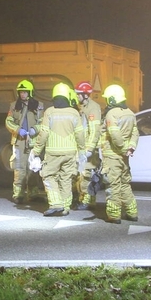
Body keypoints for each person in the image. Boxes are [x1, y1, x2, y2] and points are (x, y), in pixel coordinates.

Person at [30, 83, 85, 217]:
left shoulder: (50, 112)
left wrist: (36, 151)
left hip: (53, 152)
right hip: (70, 152)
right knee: (66, 179)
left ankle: (56, 204)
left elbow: (43, 133)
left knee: (48, 176)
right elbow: (80, 134)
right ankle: (65, 207)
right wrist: (82, 150)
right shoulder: (74, 113)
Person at [94, 84, 139, 224]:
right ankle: (132, 212)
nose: (106, 102)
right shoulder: (130, 113)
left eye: (108, 99)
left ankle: (114, 215)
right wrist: (131, 147)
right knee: (125, 183)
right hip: (124, 157)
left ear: (112, 99)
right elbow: (135, 133)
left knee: (113, 185)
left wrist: (123, 148)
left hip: (113, 155)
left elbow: (115, 134)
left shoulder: (111, 114)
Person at [4, 79, 41, 204]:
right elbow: (8, 121)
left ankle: (33, 193)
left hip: (33, 141)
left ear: (30, 92)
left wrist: (34, 129)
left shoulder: (38, 106)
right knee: (19, 168)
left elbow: (42, 122)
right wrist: (18, 130)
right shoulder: (14, 105)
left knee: (32, 169)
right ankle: (18, 194)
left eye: (25, 92)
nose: (22, 94)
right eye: (21, 92)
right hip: (19, 141)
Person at [72, 81, 102, 210]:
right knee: (80, 174)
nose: (77, 96)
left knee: (86, 174)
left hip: (88, 147)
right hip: (81, 146)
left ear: (86, 94)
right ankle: (84, 199)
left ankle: (86, 201)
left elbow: (94, 130)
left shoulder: (93, 108)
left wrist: (89, 148)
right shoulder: (82, 107)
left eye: (79, 94)